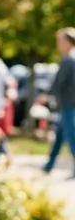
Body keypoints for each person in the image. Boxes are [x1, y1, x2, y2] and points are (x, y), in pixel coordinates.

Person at [44, 28, 75, 177]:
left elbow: (59, 83)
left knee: (71, 136)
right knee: (60, 136)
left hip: (68, 104)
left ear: (68, 43)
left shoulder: (68, 59)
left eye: (61, 42)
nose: (59, 45)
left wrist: (47, 95)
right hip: (69, 103)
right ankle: (49, 165)